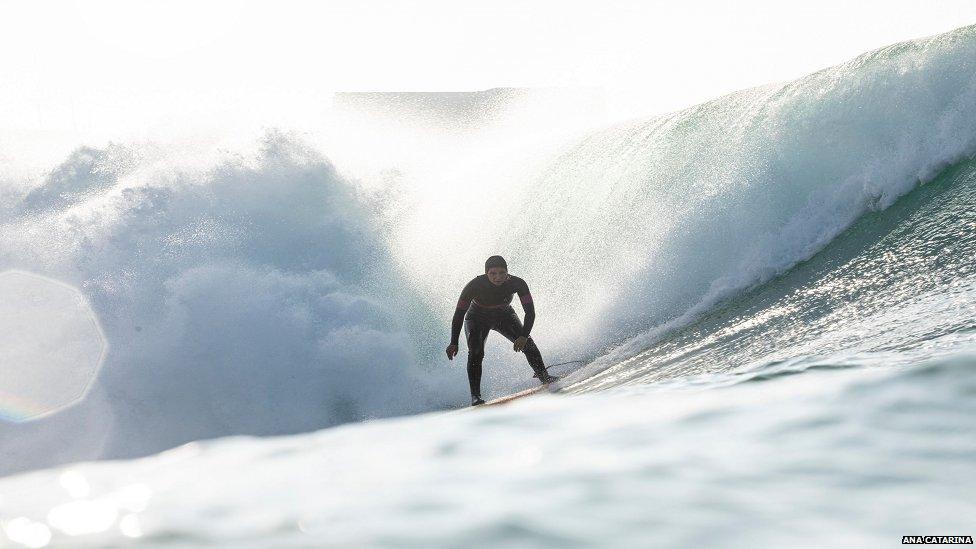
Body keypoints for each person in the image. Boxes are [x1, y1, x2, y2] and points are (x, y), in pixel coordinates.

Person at [446, 255, 557, 406]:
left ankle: (544, 377)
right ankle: (475, 396)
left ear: (507, 272)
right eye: (493, 273)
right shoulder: (474, 286)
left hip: (504, 315)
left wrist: (524, 336)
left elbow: (530, 312)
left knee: (528, 344)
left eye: (501, 273)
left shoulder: (518, 283)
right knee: (476, 352)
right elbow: (459, 314)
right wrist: (454, 342)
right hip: (476, 318)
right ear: (486, 273)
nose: (498, 277)